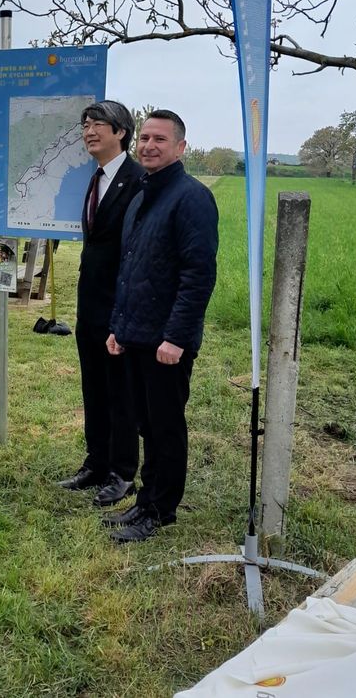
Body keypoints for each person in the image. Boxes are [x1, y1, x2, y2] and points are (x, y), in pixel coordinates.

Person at [104, 109, 218, 542]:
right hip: (136, 335)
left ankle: (159, 510)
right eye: (145, 138)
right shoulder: (141, 196)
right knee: (146, 424)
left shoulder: (191, 198)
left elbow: (197, 275)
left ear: (180, 147)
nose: (149, 146)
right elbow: (130, 270)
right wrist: (118, 326)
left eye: (160, 140)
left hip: (166, 343)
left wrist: (175, 337)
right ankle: (145, 501)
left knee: (165, 427)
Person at [57, 100, 144, 506]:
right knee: (93, 385)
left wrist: (126, 313)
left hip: (120, 307)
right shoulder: (96, 178)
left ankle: (122, 472)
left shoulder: (137, 180)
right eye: (85, 125)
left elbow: (139, 252)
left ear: (121, 132)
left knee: (120, 391)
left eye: (98, 125)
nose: (89, 131)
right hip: (90, 306)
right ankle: (96, 462)